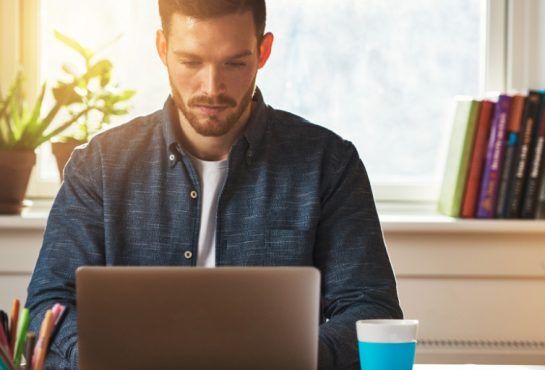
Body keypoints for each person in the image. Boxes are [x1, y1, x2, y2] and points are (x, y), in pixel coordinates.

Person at [26, 0, 403, 369]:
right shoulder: (99, 166)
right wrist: (103, 359)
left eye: (234, 63)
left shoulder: (329, 164)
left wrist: (286, 357)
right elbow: (50, 305)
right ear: (162, 49)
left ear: (263, 51)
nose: (212, 87)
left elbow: (370, 308)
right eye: (191, 62)